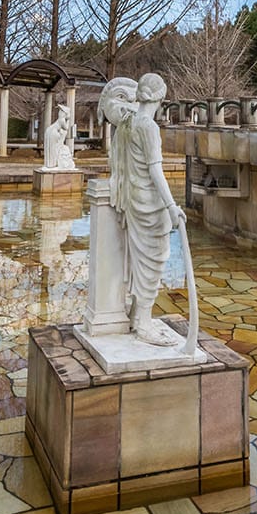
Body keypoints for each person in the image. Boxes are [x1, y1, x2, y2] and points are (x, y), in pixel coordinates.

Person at [106, 73, 186, 347]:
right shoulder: (148, 126)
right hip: (149, 204)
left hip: (132, 199)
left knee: (139, 260)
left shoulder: (127, 122)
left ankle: (134, 315)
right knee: (153, 261)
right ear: (160, 98)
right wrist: (171, 205)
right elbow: (155, 170)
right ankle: (143, 323)